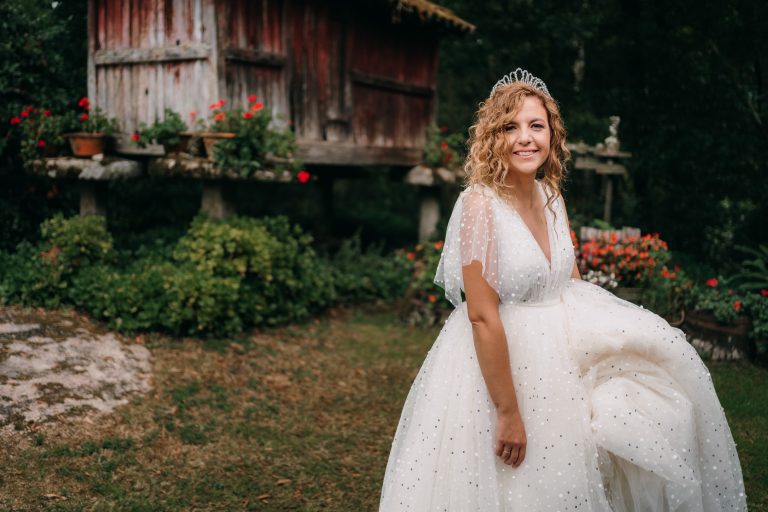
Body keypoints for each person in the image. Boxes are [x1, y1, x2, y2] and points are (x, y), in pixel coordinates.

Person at [378, 69, 747, 511]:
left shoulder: (552, 196)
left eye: (536, 125)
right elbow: (481, 315)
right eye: (510, 127)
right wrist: (508, 412)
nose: (525, 138)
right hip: (497, 371)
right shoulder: (479, 205)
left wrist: (601, 360)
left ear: (552, 133)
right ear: (492, 137)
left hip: (557, 367)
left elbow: (570, 284)